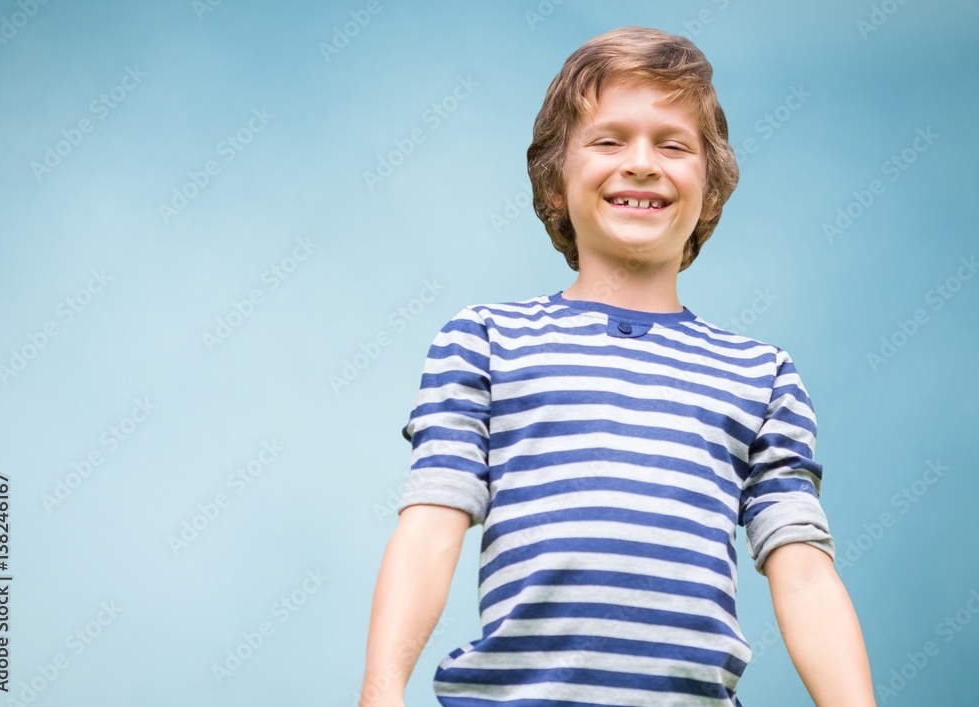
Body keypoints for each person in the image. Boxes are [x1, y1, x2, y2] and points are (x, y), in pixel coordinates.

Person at [359, 25, 876, 707]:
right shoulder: (485, 340)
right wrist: (380, 690)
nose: (641, 162)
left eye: (673, 143)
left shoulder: (762, 376)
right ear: (554, 182)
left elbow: (804, 574)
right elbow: (429, 527)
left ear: (711, 191)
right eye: (608, 140)